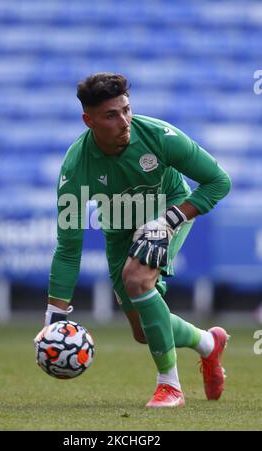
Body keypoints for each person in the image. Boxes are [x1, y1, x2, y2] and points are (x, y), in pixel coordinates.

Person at [35, 72, 231, 408]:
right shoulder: (75, 168)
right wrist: (54, 316)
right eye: (111, 115)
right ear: (89, 120)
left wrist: (170, 221)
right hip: (120, 230)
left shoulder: (159, 137)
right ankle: (208, 344)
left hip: (169, 213)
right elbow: (69, 249)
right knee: (144, 331)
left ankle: (170, 387)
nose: (124, 121)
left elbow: (218, 182)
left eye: (126, 109)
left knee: (137, 279)